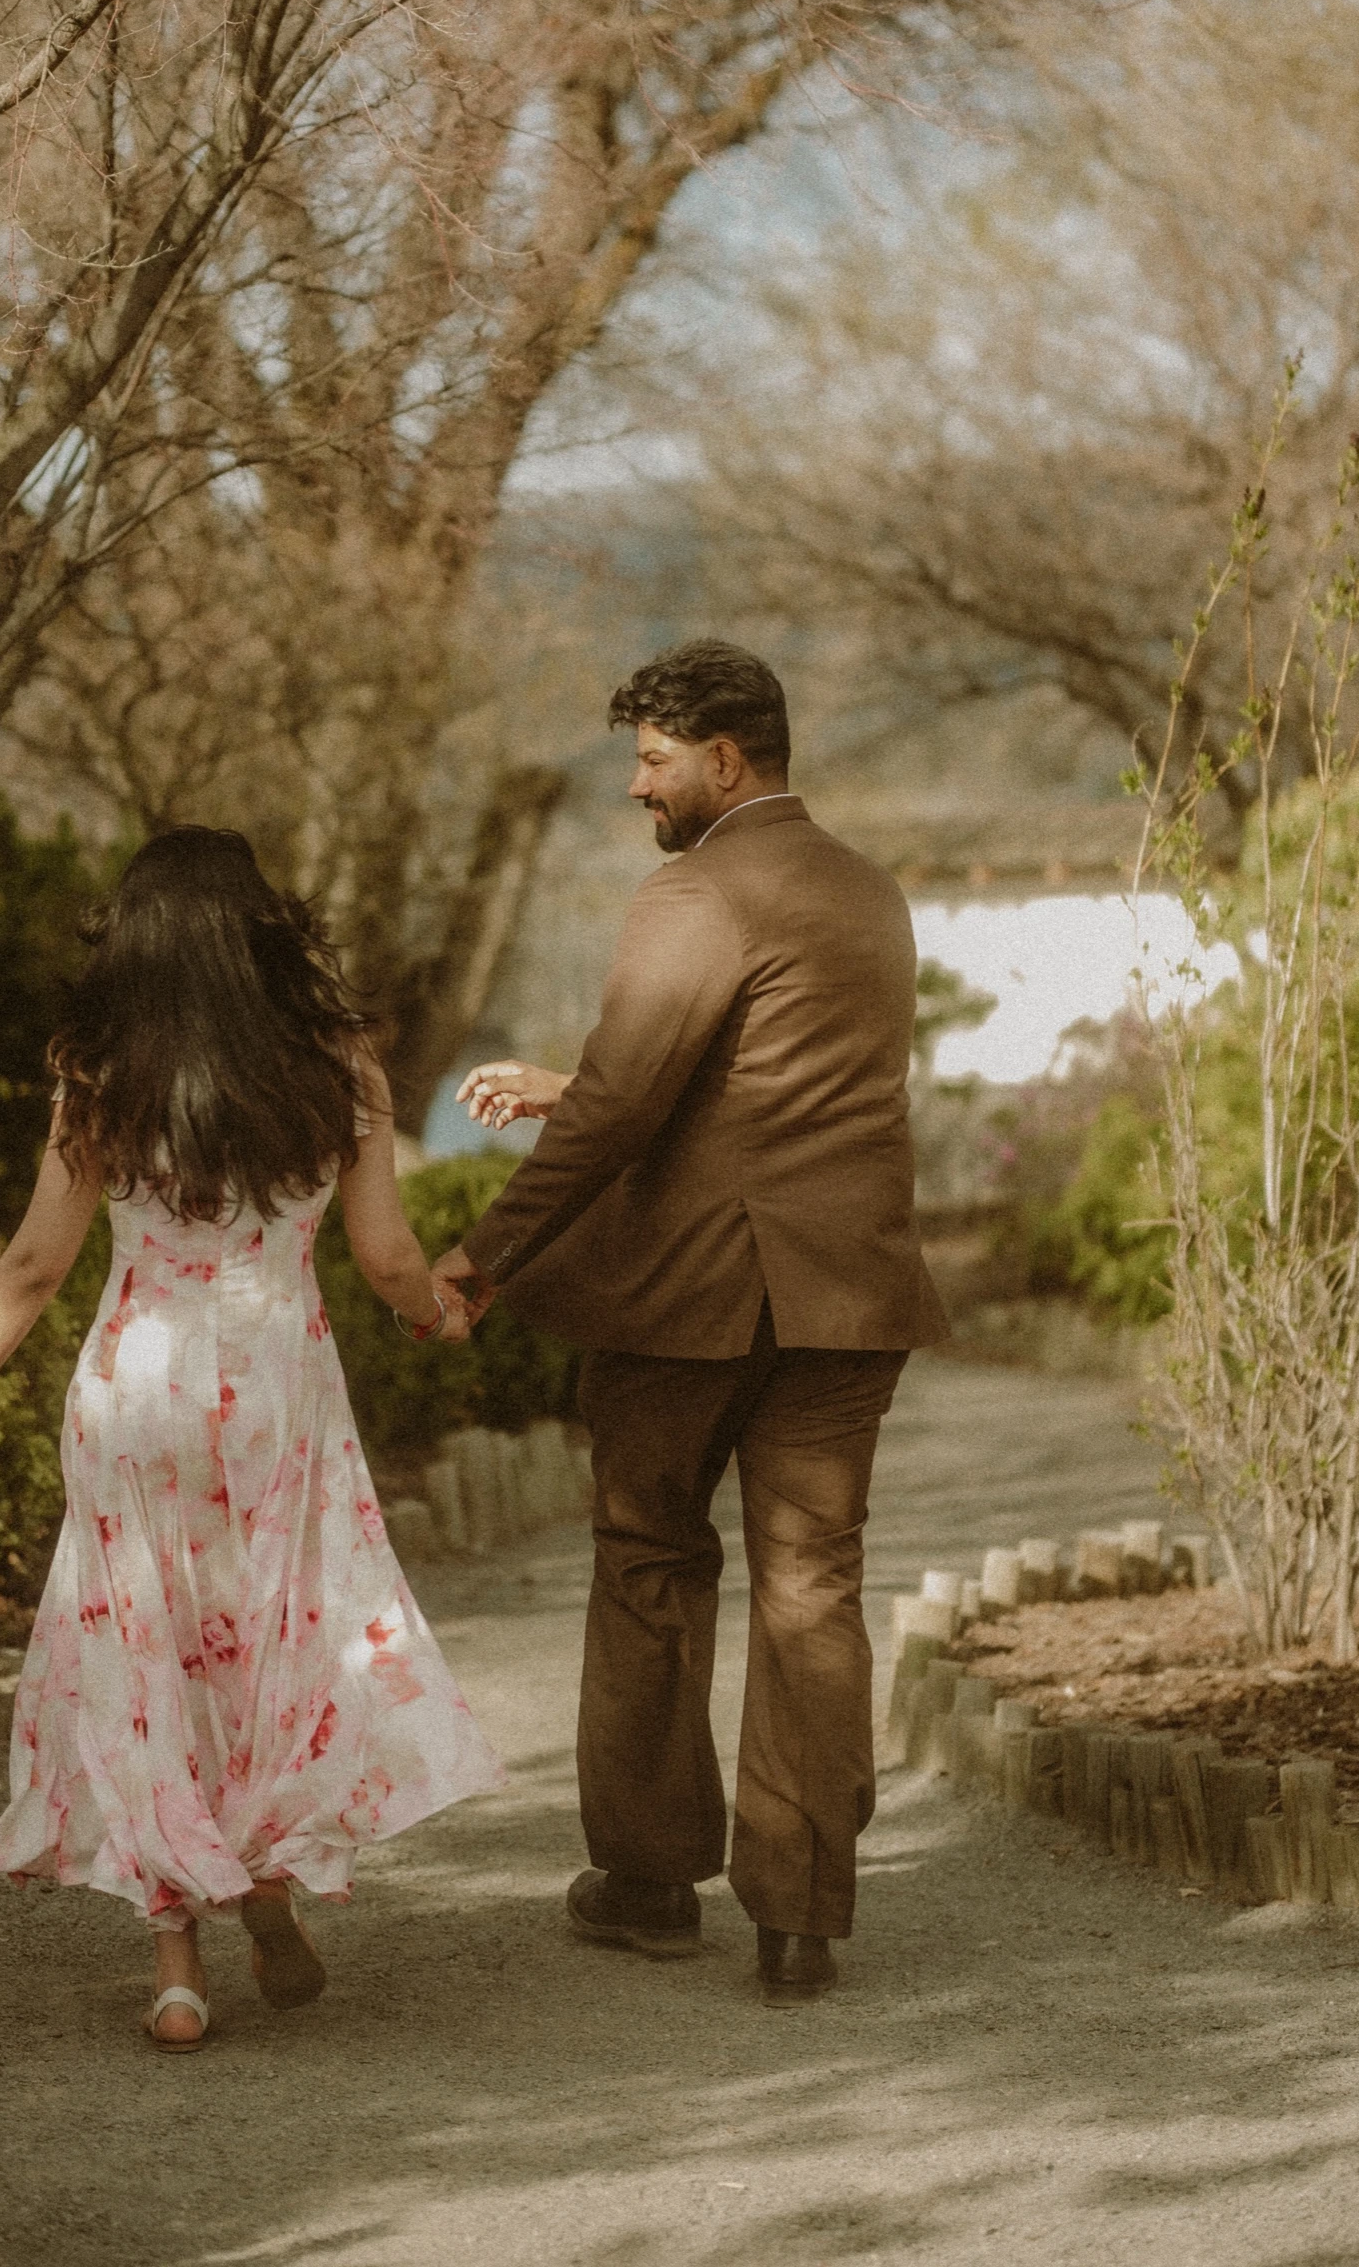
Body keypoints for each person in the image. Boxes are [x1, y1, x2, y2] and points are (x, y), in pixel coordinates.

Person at [0, 828, 502, 2051]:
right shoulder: (337, 1067)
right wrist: (439, 1312)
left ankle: (176, 1966)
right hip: (278, 1390)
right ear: (260, 928)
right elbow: (387, 1256)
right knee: (269, 1644)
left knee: (149, 1658)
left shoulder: (100, 1071)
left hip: (136, 1392)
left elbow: (32, 1262)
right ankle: (268, 1884)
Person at [434, 639, 944, 2007]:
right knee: (812, 1586)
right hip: (846, 1300)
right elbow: (760, 1078)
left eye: (652, 761)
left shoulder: (693, 890)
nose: (635, 789)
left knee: (651, 1559)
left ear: (725, 760)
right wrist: (569, 1082)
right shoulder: (867, 891)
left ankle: (652, 1884)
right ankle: (799, 1916)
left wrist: (482, 1259)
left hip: (689, 1303)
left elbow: (628, 1110)